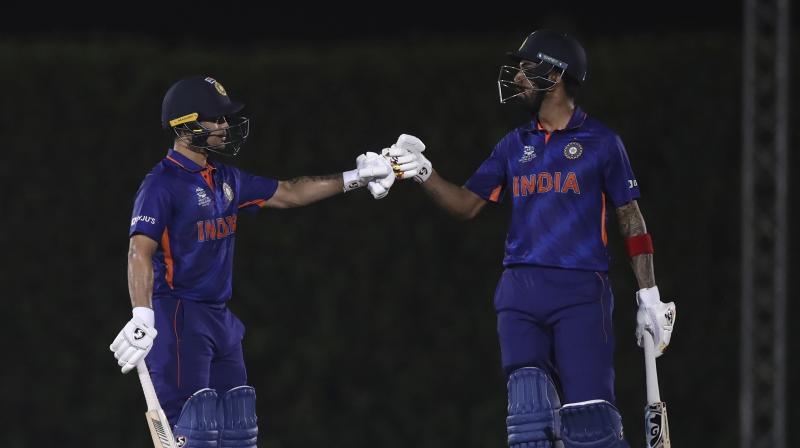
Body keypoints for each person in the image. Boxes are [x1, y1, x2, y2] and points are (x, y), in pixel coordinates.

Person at [387, 30, 676, 447]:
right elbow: (466, 205)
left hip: (580, 291)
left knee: (590, 425)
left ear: (555, 75)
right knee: (529, 425)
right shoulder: (512, 145)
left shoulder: (603, 143)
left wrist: (649, 294)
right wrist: (423, 172)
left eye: (527, 68)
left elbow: (631, 218)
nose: (518, 77)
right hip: (519, 292)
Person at [109, 75, 398, 447]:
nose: (225, 126)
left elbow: (289, 193)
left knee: (238, 430)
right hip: (179, 317)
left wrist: (356, 176)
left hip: (219, 318)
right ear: (187, 125)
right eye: (217, 119)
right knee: (192, 432)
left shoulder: (225, 177)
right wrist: (142, 314)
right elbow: (139, 250)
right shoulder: (161, 184)